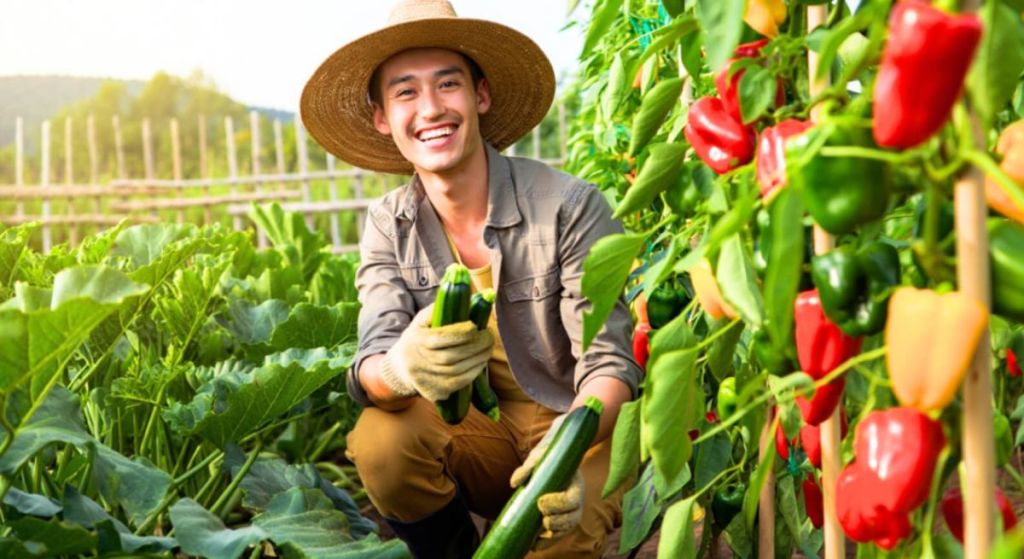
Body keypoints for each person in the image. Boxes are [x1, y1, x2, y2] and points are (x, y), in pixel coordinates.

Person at [300, 1, 642, 557]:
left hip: (581, 430)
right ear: (382, 117)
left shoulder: (569, 206)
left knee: (557, 538)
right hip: (481, 438)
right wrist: (400, 368)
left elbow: (610, 365)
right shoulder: (388, 223)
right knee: (381, 440)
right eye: (405, 92)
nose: (431, 108)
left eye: (448, 84)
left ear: (480, 95)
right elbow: (369, 366)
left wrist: (567, 449)